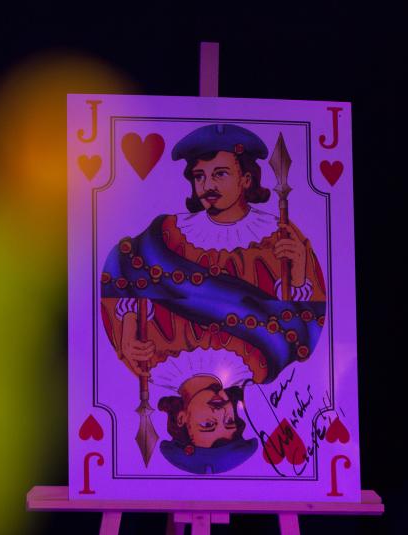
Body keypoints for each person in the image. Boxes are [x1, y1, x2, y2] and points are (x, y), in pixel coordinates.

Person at [99, 124, 327, 472]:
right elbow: (127, 268)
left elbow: (126, 285)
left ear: (246, 179)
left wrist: (128, 334)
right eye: (199, 176)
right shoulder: (262, 365)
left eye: (220, 174)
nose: (208, 185)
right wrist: (298, 278)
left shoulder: (149, 366)